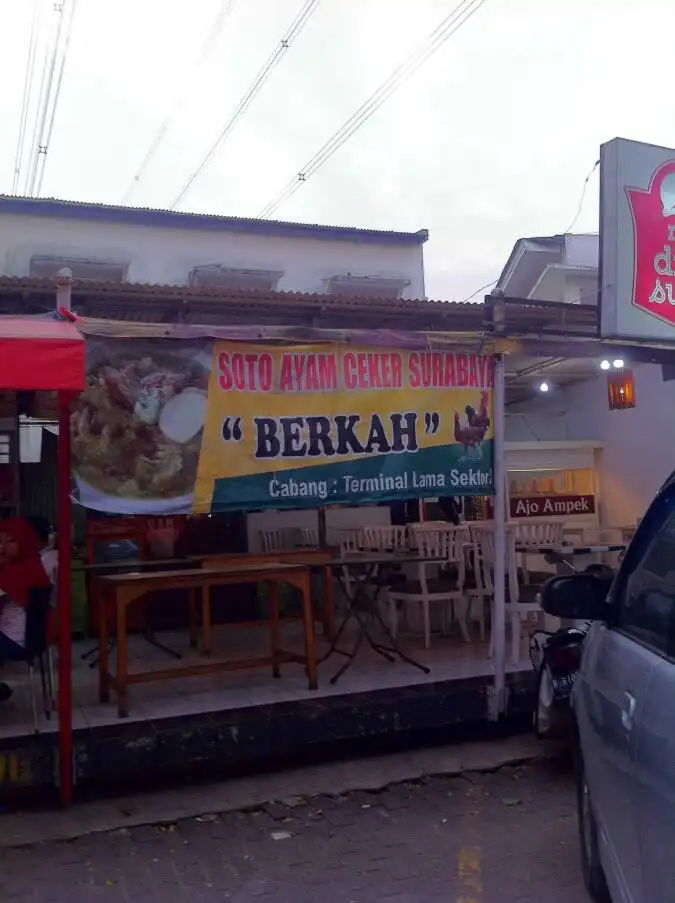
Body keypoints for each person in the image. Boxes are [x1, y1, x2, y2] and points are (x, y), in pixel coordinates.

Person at [0, 518, 52, 704]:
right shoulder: (32, 565)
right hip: (34, 640)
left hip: (16, 641)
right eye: (1, 540)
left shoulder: (16, 571)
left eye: (10, 540)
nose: (3, 546)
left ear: (23, 542)